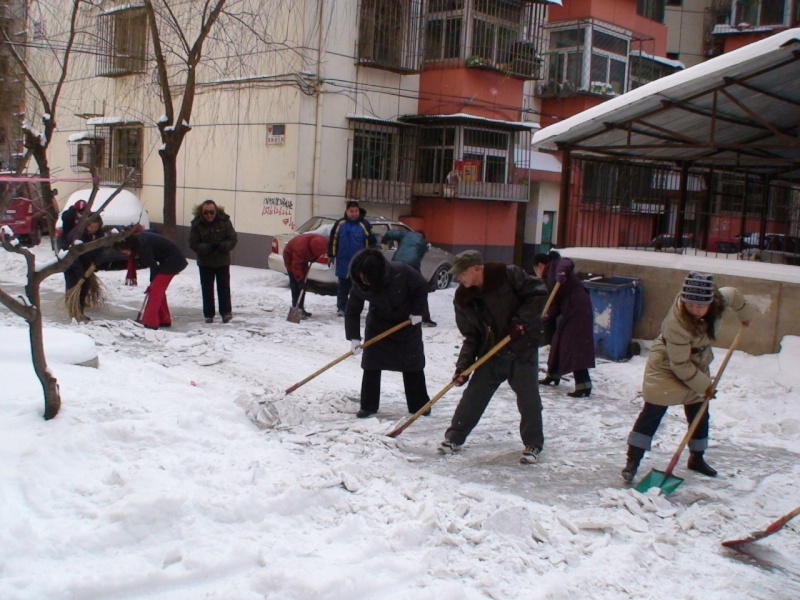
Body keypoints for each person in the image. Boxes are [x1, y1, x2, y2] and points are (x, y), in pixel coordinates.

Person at [621, 272, 753, 483]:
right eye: (689, 305)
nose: (694, 310)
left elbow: (735, 295)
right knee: (653, 410)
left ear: (711, 302)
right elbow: (680, 364)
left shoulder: (719, 301)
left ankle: (697, 458)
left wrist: (745, 316)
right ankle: (632, 462)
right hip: (667, 365)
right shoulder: (676, 324)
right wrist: (705, 386)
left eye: (700, 306)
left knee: (699, 411)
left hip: (697, 362)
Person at [438, 250, 549, 464]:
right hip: (492, 352)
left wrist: (521, 321)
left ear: (477, 268)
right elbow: (471, 337)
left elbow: (538, 293)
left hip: (521, 349)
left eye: (462, 273)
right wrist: (463, 368)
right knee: (474, 396)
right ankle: (454, 438)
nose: (458, 278)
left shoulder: (508, 275)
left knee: (529, 400)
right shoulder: (463, 298)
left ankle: (533, 444)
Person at [345, 248, 431, 418]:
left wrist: (417, 312)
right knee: (371, 365)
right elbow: (352, 310)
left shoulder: (401, 271)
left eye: (368, 278)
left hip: (406, 323)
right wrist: (354, 337)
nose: (365, 282)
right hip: (378, 324)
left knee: (412, 365)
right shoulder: (359, 282)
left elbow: (421, 287)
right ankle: (368, 405)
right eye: (362, 278)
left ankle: (419, 405)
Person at [532, 251, 596, 397]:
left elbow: (566, 262)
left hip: (578, 307)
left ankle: (583, 385)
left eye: (535, 270)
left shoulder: (555, 265)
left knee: (574, 344)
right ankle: (553, 375)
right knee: (559, 340)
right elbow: (556, 303)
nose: (536, 273)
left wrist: (561, 273)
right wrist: (545, 316)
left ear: (540, 265)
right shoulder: (549, 279)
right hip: (568, 308)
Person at [114, 231, 188, 330]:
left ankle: (150, 322)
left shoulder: (142, 244)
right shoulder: (138, 241)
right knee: (157, 290)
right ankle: (164, 319)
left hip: (173, 261)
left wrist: (153, 280)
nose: (123, 252)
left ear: (126, 245)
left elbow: (152, 264)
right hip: (168, 261)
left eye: (122, 249)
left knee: (155, 291)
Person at [188, 199, 238, 323]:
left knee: (224, 288)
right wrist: (208, 248)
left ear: (216, 212)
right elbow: (193, 243)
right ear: (201, 212)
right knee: (207, 288)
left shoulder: (225, 221)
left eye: (212, 212)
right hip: (205, 262)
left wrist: (223, 246)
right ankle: (208, 314)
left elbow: (233, 239)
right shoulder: (196, 224)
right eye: (206, 213)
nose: (209, 215)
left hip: (222, 261)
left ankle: (226, 313)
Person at [381, 228, 437, 327]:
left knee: (393, 289)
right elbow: (419, 257)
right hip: (412, 265)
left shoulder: (405, 234)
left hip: (396, 263)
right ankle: (425, 318)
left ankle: (389, 314)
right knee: (420, 289)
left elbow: (390, 233)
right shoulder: (424, 243)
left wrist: (384, 242)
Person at [328, 201, 375, 316]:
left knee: (358, 286)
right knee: (343, 286)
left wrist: (368, 259)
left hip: (359, 262)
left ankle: (355, 308)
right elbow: (333, 240)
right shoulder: (340, 224)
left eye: (356, 211)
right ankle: (341, 308)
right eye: (351, 211)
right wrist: (331, 255)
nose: (354, 214)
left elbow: (371, 243)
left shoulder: (365, 225)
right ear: (346, 211)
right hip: (343, 260)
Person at [63, 213, 104, 321]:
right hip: (71, 265)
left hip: (87, 265)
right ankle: (73, 313)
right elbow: (74, 256)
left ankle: (80, 313)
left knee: (84, 289)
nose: (94, 229)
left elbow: (101, 249)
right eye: (91, 227)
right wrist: (80, 273)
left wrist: (96, 263)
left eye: (96, 227)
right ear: (86, 225)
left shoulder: (99, 234)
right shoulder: (77, 235)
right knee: (73, 288)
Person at [282, 232, 329, 318]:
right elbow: (296, 265)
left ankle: (301, 309)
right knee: (296, 285)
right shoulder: (301, 247)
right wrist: (300, 280)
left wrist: (314, 258)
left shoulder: (323, 241)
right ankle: (296, 309)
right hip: (290, 258)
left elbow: (322, 251)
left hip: (303, 258)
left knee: (303, 286)